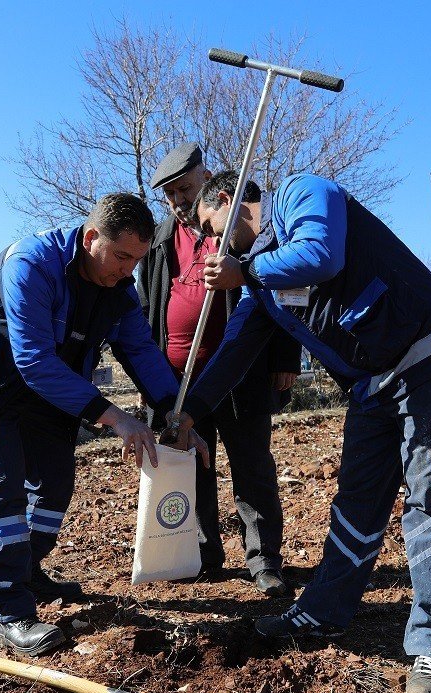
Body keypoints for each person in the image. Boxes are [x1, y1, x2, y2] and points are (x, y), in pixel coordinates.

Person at [171, 171, 431, 693]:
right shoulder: (261, 286)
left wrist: (245, 270)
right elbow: (237, 349)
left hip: (430, 360)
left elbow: (321, 255)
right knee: (356, 502)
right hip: (372, 386)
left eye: (209, 228)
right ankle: (324, 612)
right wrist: (191, 412)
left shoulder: (302, 193)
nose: (208, 243)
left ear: (229, 199)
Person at [0, 193, 208, 657]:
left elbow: (138, 351)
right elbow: (33, 359)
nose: (128, 270)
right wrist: (114, 417)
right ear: (92, 238)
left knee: (54, 482)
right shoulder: (31, 263)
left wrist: (175, 411)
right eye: (121, 257)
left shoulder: (119, 289)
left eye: (136, 259)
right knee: (4, 487)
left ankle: (28, 571)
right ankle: (12, 613)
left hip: (44, 391)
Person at [137, 143, 301, 596]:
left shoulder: (238, 226)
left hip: (239, 371)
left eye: (186, 189)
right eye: (170, 195)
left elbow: (278, 284)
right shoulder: (159, 238)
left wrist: (286, 357)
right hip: (174, 380)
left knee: (251, 466)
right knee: (191, 467)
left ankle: (264, 560)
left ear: (207, 178)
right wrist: (150, 380)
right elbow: (148, 306)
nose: (179, 201)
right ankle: (204, 556)